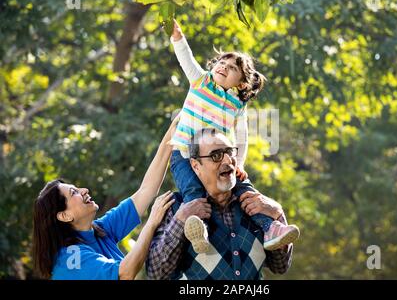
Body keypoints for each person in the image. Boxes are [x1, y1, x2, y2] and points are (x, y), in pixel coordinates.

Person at [168, 19, 300, 253]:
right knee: (194, 195)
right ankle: (201, 235)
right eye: (221, 62)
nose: (223, 66)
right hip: (185, 155)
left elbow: (242, 139)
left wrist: (238, 164)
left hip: (220, 160)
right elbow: (185, 57)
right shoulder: (201, 81)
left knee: (246, 192)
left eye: (232, 68)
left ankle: (270, 228)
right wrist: (177, 36)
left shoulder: (237, 105)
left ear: (240, 83)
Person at [32, 118, 178, 280]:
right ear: (64, 216)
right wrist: (151, 224)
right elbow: (125, 273)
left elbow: (146, 191)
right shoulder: (70, 259)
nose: (84, 190)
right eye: (74, 193)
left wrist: (172, 133)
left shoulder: (100, 230)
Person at [146, 128, 294, 280]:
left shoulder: (256, 204)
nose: (226, 160)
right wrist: (180, 221)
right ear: (196, 165)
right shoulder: (176, 208)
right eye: (216, 155)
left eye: (229, 152)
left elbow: (281, 266)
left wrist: (277, 214)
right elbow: (156, 275)